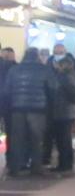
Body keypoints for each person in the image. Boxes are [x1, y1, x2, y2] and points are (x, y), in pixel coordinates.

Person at [3, 47, 56, 177]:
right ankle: (36, 168)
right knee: (36, 140)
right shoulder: (45, 70)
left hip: (17, 109)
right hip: (38, 110)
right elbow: (53, 89)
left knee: (17, 140)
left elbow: (6, 91)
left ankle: (15, 168)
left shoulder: (14, 70)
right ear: (37, 56)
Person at [50, 56, 75, 173]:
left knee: (63, 140)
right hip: (66, 112)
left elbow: (73, 95)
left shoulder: (64, 78)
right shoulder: (71, 76)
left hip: (63, 112)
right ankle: (65, 163)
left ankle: (64, 164)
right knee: (64, 139)